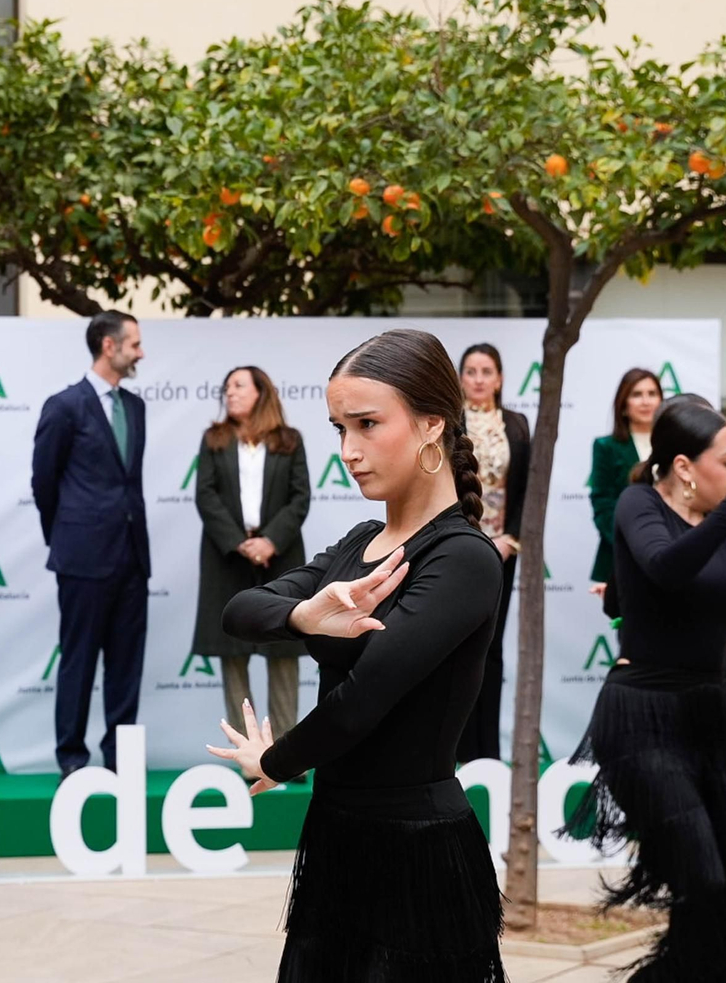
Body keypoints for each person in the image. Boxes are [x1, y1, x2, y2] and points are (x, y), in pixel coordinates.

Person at [210, 329, 506, 981]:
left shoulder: (462, 558)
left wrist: (275, 761)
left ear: (432, 424)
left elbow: (363, 701)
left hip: (418, 852)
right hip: (337, 835)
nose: (348, 450)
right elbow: (241, 611)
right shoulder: (360, 541)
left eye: (367, 424)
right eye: (340, 428)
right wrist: (303, 613)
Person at [564, 401, 726, 980]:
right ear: (684, 466)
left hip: (711, 711)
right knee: (704, 881)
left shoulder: (724, 517)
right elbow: (666, 567)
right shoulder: (640, 505)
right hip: (642, 717)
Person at [32, 311, 150, 776]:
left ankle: (121, 759)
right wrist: (66, 538)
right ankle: (72, 759)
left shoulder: (135, 407)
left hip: (132, 556)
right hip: (81, 558)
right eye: (134, 343)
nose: (141, 352)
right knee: (78, 661)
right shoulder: (64, 406)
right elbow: (44, 483)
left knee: (126, 664)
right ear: (108, 345)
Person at [191, 366, 310, 742]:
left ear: (261, 393)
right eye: (227, 387)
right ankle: (247, 754)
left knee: (283, 650)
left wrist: (270, 540)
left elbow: (300, 497)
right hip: (229, 557)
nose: (230, 392)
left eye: (239, 385)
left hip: (280, 557)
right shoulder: (214, 439)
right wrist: (240, 543)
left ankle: (286, 755)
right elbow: (205, 494)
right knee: (233, 653)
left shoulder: (289, 440)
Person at [455, 342, 529, 763]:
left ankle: (490, 755)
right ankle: (459, 751)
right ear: (461, 378)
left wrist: (509, 539)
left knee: (493, 646)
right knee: (460, 644)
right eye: (471, 371)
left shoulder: (518, 425)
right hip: (458, 547)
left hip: (503, 550)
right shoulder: (449, 424)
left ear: (499, 378)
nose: (479, 379)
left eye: (487, 371)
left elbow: (527, 490)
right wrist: (465, 537)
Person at [589, 369, 663, 588]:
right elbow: (603, 504)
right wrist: (633, 542)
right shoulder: (606, 447)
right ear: (623, 405)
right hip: (622, 554)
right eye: (637, 394)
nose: (646, 401)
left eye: (652, 393)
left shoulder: (676, 444)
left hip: (669, 550)